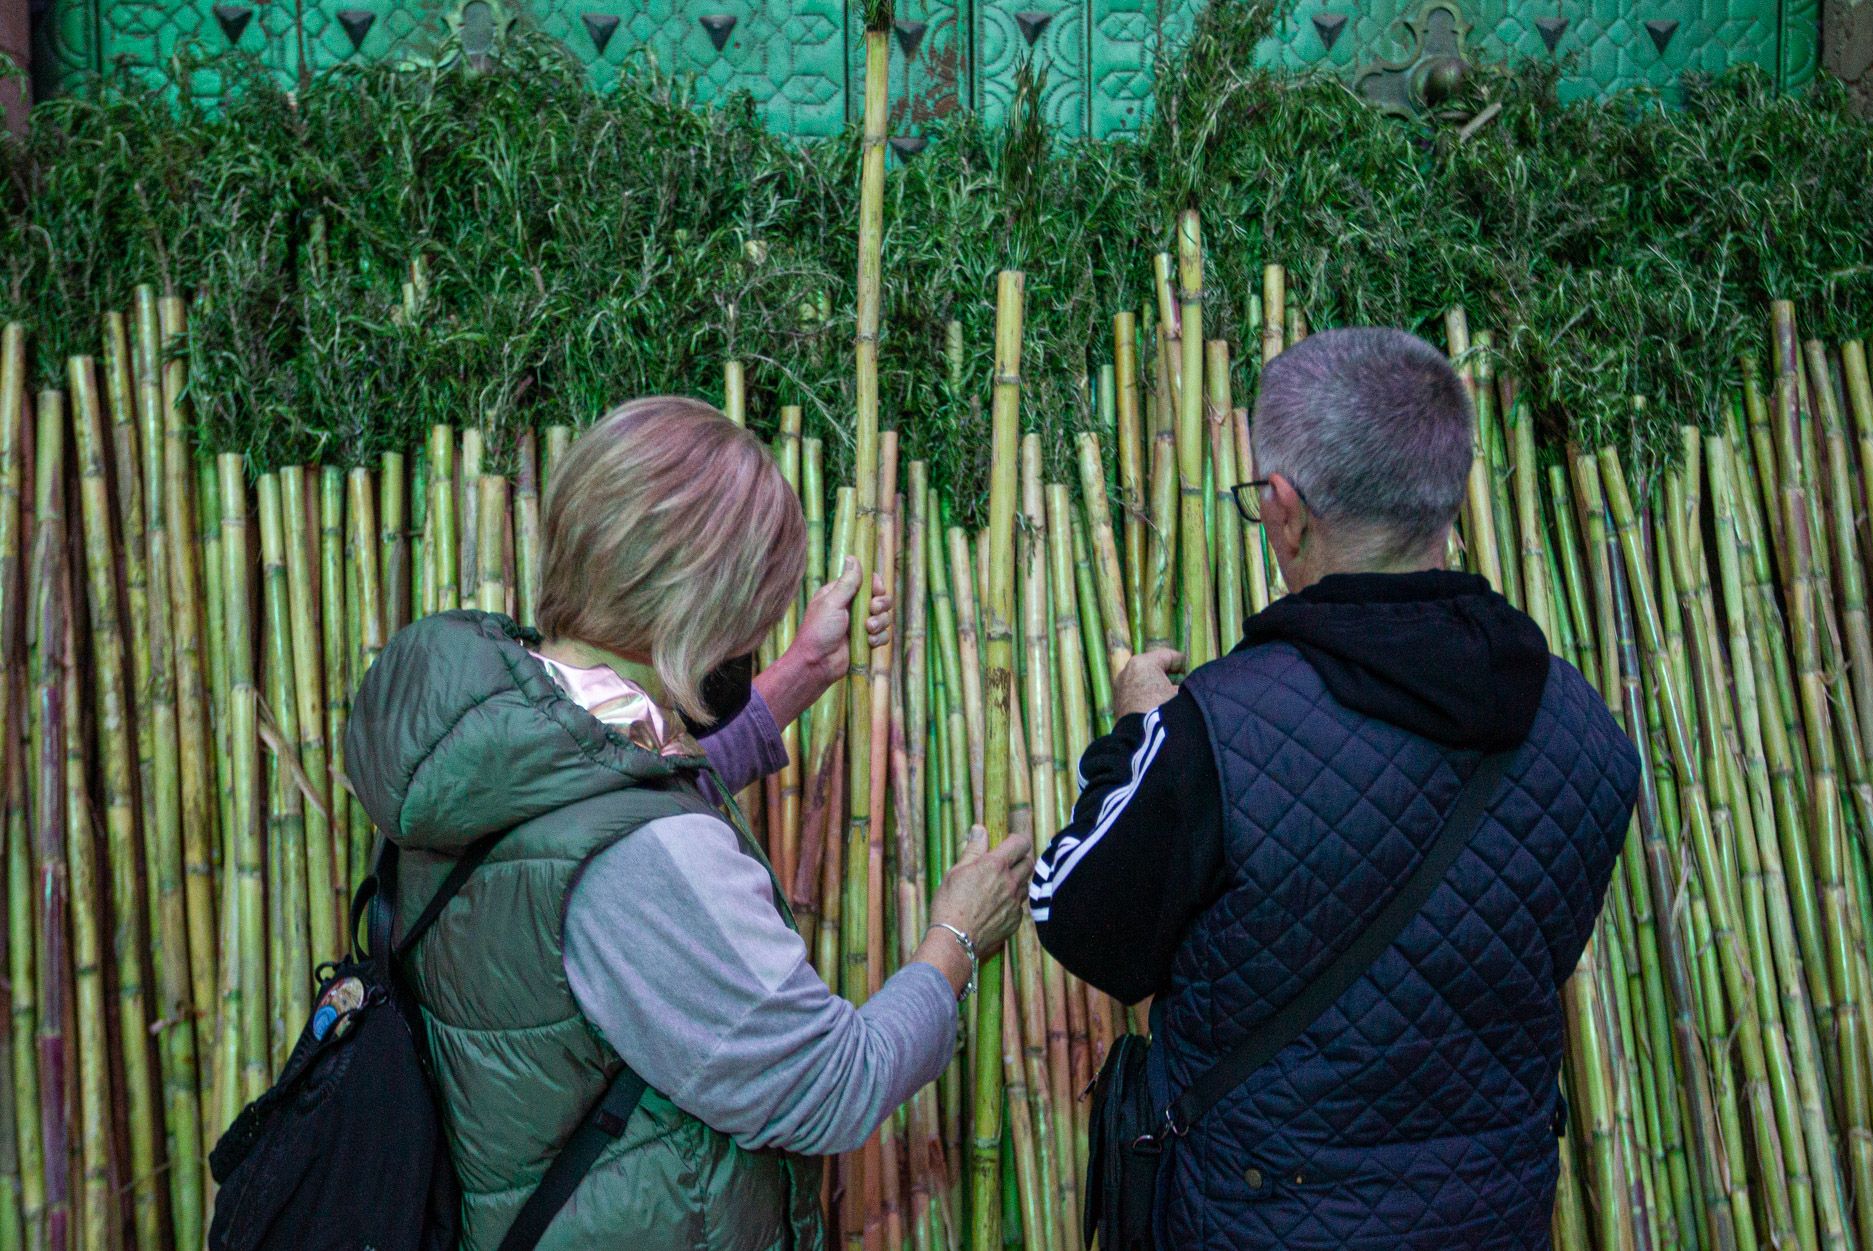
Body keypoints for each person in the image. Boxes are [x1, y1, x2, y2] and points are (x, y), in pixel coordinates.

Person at [345, 396, 1033, 1250]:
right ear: (698, 607)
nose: (758, 633)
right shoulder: (649, 857)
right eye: (752, 614)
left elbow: (599, 793)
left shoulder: (486, 729)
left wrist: (794, 678)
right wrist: (955, 941)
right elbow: (830, 1085)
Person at [1031, 329, 1640, 1250]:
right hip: (1496, 1217)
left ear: (1284, 510)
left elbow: (1073, 915)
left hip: (1256, 1216)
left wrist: (1137, 734)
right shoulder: (1589, 732)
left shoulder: (1214, 735)